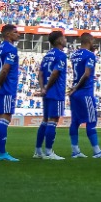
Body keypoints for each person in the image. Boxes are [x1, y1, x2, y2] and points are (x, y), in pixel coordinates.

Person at [68, 32, 101, 158]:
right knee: (91, 121)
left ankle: (75, 150)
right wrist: (77, 87)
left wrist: (74, 87)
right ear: (89, 41)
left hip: (75, 93)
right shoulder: (90, 55)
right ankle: (97, 151)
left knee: (75, 122)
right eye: (93, 41)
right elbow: (87, 74)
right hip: (85, 92)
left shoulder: (74, 55)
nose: (94, 43)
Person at [0, 24, 22, 162]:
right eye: (15, 32)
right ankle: (1, 153)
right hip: (7, 89)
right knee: (5, 118)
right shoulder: (11, 49)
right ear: (8, 34)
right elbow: (5, 70)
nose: (18, 34)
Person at [34, 30, 67, 160]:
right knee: (53, 120)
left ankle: (38, 151)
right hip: (56, 91)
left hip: (46, 93)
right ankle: (48, 152)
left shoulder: (47, 55)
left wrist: (43, 89)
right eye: (63, 38)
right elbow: (55, 73)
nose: (65, 40)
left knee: (45, 121)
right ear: (59, 40)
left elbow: (40, 74)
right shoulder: (61, 55)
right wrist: (47, 87)